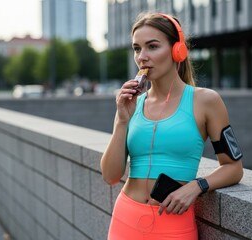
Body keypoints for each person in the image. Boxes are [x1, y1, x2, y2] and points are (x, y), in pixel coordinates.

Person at [100, 12, 244, 240]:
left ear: (178, 50)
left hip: (174, 225)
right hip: (125, 219)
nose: (142, 57)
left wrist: (196, 186)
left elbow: (234, 168)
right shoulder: (132, 104)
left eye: (152, 46)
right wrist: (121, 120)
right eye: (137, 49)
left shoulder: (206, 101)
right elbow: (110, 175)